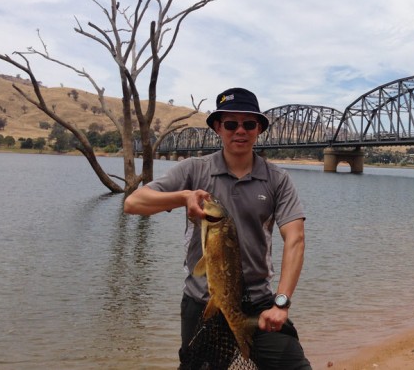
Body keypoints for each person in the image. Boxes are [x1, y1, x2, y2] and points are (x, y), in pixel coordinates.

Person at [124, 87, 311, 370]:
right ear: (217, 128)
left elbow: (295, 239)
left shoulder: (277, 179)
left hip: (260, 303)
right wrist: (183, 197)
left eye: (249, 124)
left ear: (258, 128)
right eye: (230, 124)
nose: (240, 131)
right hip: (203, 304)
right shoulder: (193, 170)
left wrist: (281, 302)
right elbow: (134, 203)